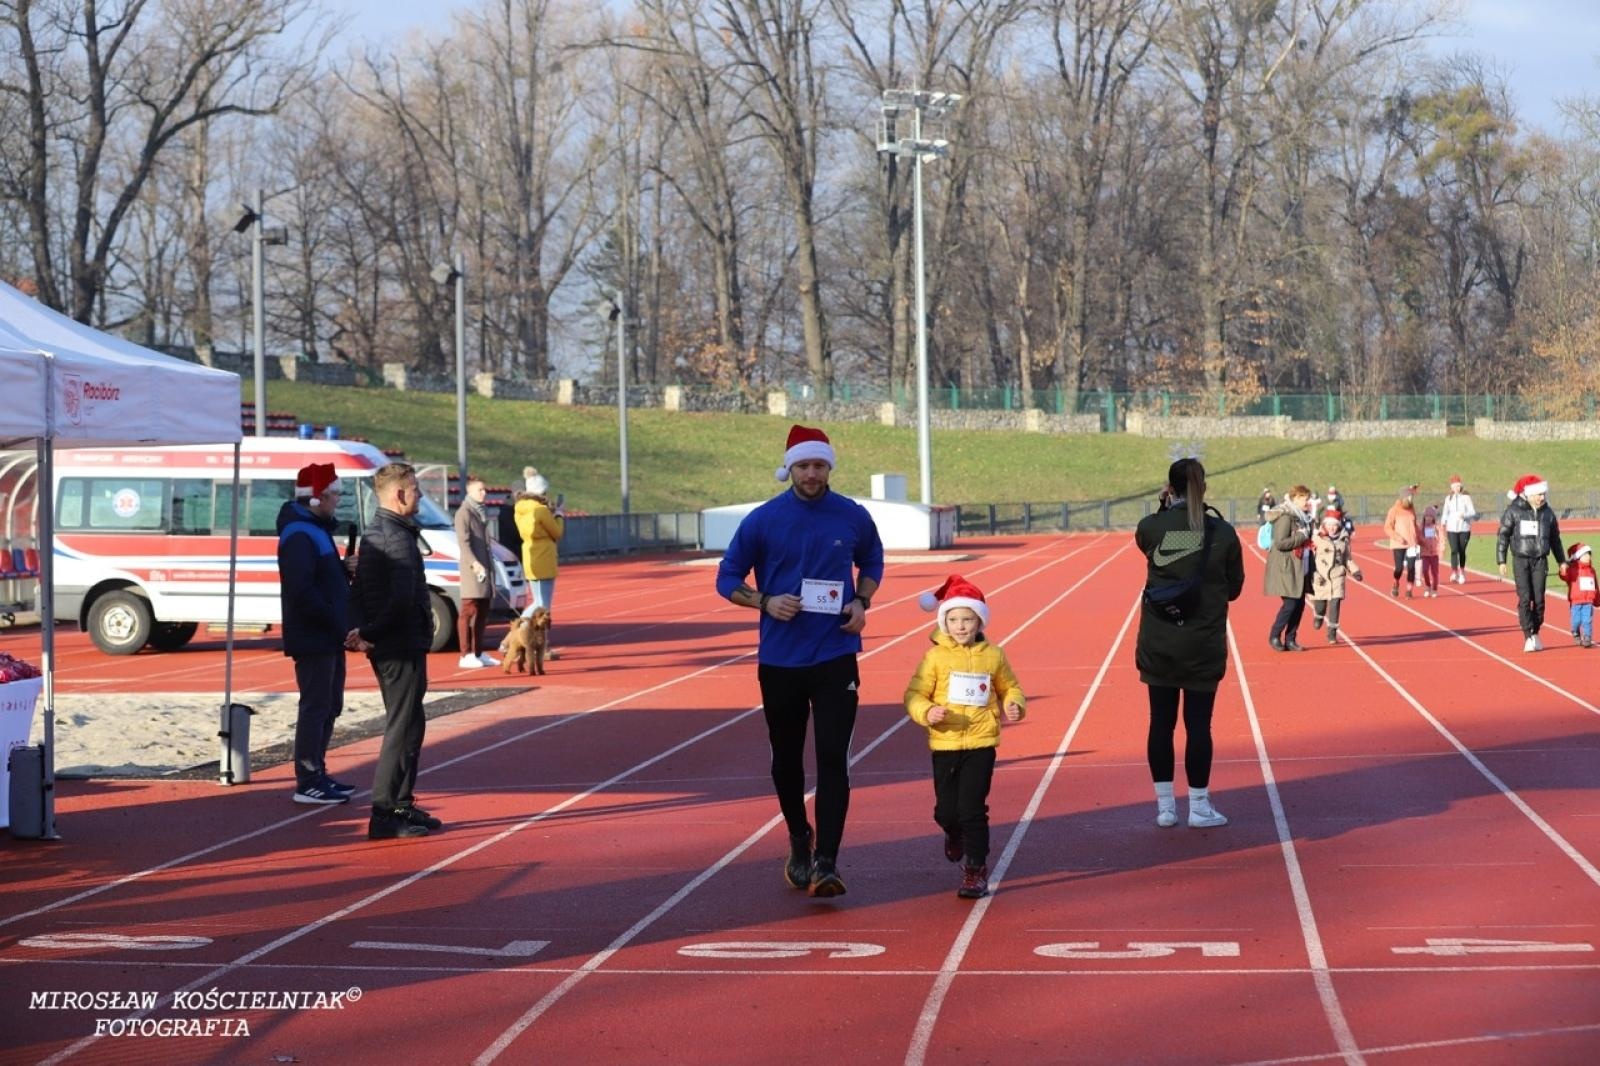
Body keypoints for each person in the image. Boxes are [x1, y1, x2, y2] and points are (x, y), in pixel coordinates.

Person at [715, 424, 884, 898]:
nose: (812, 474)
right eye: (803, 466)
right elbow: (727, 576)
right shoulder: (764, 520)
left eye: (819, 465)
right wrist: (764, 601)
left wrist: (861, 603)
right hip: (781, 659)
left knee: (833, 757)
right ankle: (798, 836)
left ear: (829, 466)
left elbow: (872, 561)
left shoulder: (851, 515)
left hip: (835, 655)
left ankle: (827, 862)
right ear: (790, 468)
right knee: (786, 760)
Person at [1134, 457, 1244, 829]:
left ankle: (1166, 808)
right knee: (1199, 725)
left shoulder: (1150, 527)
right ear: (1204, 488)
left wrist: (1164, 508)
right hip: (1202, 641)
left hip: (1160, 640)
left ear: (1169, 488)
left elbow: (1151, 540)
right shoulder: (1224, 533)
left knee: (1159, 723)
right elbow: (1236, 589)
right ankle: (1199, 806)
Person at [903, 575, 1026, 900]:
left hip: (981, 742)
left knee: (972, 808)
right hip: (945, 743)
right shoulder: (935, 658)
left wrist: (1014, 704)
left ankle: (975, 869)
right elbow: (915, 693)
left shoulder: (994, 655)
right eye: (953, 619)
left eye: (967, 619)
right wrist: (926, 712)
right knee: (946, 811)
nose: (960, 626)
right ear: (943, 621)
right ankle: (952, 833)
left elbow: (1009, 687)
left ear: (979, 620)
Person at [351, 462, 443, 839]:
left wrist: (365, 632)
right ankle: (384, 811)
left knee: (411, 725)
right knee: (400, 727)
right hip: (398, 644)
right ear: (399, 494)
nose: (420, 496)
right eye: (416, 490)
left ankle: (402, 804)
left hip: (398, 641)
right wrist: (370, 633)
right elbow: (401, 597)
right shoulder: (394, 536)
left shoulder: (387, 532)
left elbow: (361, 591)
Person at [276, 462, 357, 806]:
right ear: (317, 498)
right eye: (335, 494)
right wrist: (333, 620)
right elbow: (301, 589)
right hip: (314, 635)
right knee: (316, 706)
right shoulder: (299, 533)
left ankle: (317, 774)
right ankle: (308, 778)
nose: (338, 500)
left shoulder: (313, 528)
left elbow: (315, 578)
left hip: (326, 633)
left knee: (329, 705)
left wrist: (340, 570)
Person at [1497, 474, 1565, 653]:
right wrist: (1501, 560)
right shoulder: (1513, 511)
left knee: (1540, 600)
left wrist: (1561, 561)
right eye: (1538, 494)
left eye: (1543, 494)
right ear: (1528, 494)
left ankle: (1536, 631)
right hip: (1521, 561)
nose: (1541, 497)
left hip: (1541, 561)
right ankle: (1528, 635)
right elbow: (1503, 535)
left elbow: (1555, 539)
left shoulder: (1548, 513)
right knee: (1526, 599)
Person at [515, 472, 565, 657]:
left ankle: (519, 634)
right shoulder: (541, 510)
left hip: (530, 554)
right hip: (544, 557)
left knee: (537, 601)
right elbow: (557, 532)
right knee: (543, 607)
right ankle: (535, 642)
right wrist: (559, 514)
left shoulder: (520, 508)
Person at [453, 475, 499, 669]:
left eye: (484, 489)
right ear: (469, 492)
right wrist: (474, 563)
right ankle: (465, 654)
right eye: (480, 490)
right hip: (474, 569)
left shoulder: (481, 512)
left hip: (485, 567)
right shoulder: (463, 513)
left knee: (483, 611)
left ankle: (478, 652)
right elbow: (463, 543)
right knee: (468, 611)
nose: (484, 493)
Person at [1264, 485, 1315, 651]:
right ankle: (1274, 634)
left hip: (1301, 566)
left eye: (1308, 499)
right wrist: (1301, 537)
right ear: (1295, 498)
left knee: (1299, 604)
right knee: (1291, 603)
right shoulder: (1286, 517)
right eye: (1305, 499)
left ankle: (1291, 639)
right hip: (1286, 566)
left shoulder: (1303, 518)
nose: (1308, 502)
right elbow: (1280, 542)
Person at [1309, 508, 1363, 643]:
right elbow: (1310, 556)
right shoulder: (1317, 538)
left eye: (1335, 525)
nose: (1332, 528)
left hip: (1337, 576)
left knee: (1335, 604)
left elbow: (1347, 558)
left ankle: (1331, 633)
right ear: (1324, 525)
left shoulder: (1344, 540)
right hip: (1320, 576)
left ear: (1339, 526)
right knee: (1320, 604)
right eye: (1329, 525)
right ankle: (1319, 615)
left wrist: (1355, 571)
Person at [1383, 485, 1421, 598]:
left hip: (1411, 543)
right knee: (1399, 568)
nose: (1411, 499)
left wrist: (1421, 539)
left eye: (1412, 497)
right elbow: (1387, 527)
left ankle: (1409, 590)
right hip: (1399, 543)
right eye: (1409, 497)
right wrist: (1397, 537)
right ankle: (1396, 582)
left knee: (1411, 567)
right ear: (1404, 497)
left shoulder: (1412, 510)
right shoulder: (1394, 510)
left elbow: (1415, 526)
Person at [1439, 475, 1478, 583]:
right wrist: (1443, 522)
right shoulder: (1448, 498)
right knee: (1454, 550)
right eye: (1454, 486)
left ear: (1460, 487)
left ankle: (1462, 572)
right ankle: (1454, 572)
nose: (1456, 488)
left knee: (1461, 551)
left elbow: (1473, 512)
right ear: (1451, 488)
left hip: (1464, 528)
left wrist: (1464, 515)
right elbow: (1445, 512)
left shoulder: (1466, 498)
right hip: (1451, 528)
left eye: (1458, 486)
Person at [1562, 543, 1596, 647]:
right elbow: (1565, 576)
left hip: (1588, 601)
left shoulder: (1592, 570)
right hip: (1576, 602)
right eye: (1585, 555)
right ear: (1579, 557)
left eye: (1589, 555)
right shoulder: (1573, 569)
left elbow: (1596, 585)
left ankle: (1587, 637)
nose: (1588, 557)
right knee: (1576, 621)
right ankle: (1576, 632)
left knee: (1587, 621)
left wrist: (1597, 598)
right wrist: (1564, 568)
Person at [1418, 505, 1442, 597]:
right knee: (1424, 570)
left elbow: (1441, 539)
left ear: (1433, 518)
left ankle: (1434, 589)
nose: (1428, 518)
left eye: (1430, 516)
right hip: (1425, 554)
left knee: (1435, 573)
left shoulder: (1436, 527)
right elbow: (1419, 538)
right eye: (1426, 516)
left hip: (1435, 554)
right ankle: (1428, 586)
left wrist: (1440, 549)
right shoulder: (1422, 528)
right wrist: (1422, 541)